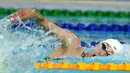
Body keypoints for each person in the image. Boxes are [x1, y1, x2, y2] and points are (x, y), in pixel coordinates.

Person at [8, 8, 123, 60]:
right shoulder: (72, 43)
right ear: (99, 44)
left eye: (108, 55)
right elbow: (41, 20)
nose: (102, 53)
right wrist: (34, 14)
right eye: (104, 47)